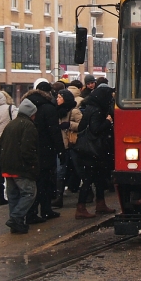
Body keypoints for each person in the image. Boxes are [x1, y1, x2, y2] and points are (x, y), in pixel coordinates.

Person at [22, 79, 64, 224]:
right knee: (45, 182)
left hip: (30, 148)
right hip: (46, 149)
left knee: (33, 182)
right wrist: (61, 150)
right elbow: (54, 131)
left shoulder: (25, 105)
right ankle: (45, 210)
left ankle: (32, 212)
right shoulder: (48, 107)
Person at [74, 83, 116, 218]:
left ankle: (100, 203)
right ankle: (82, 208)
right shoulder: (98, 111)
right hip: (94, 151)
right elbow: (96, 129)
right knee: (90, 179)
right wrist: (108, 121)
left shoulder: (89, 108)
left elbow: (82, 127)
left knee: (97, 178)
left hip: (88, 150)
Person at [0, 98, 39, 234]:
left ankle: (16, 223)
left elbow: (0, 145)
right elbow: (28, 149)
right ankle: (16, 218)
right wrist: (32, 164)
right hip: (20, 167)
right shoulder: (29, 126)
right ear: (31, 114)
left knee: (13, 195)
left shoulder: (11, 125)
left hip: (7, 167)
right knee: (29, 193)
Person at [52, 87, 77, 209]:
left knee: (78, 171)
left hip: (72, 146)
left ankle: (88, 193)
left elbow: (83, 124)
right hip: (61, 146)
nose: (57, 99)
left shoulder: (74, 111)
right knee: (60, 172)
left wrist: (70, 125)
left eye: (60, 97)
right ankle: (59, 197)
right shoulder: (57, 111)